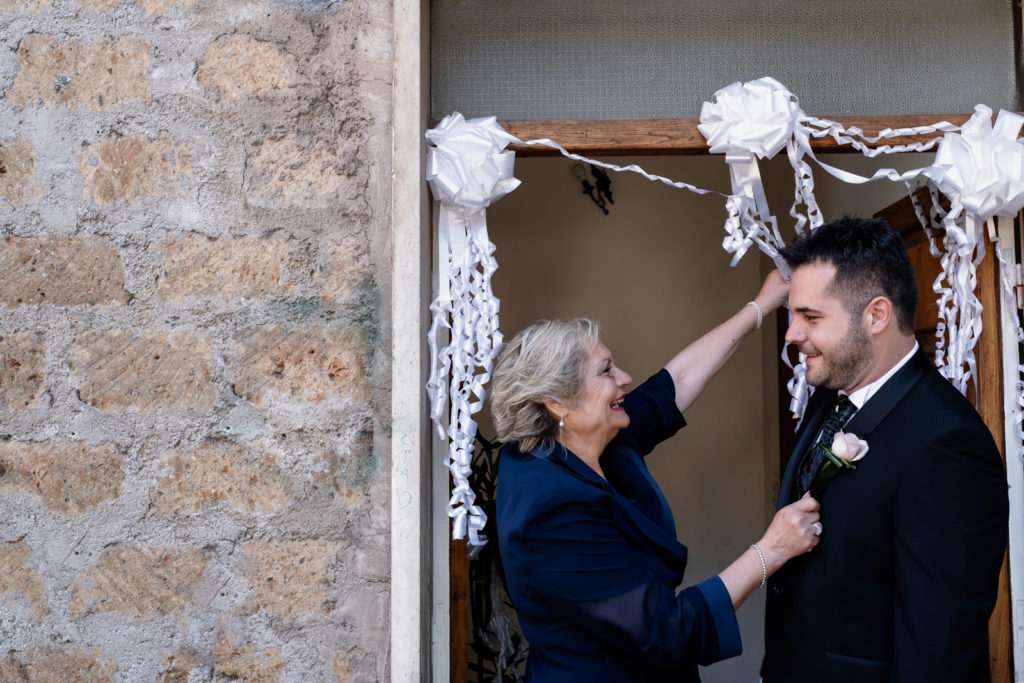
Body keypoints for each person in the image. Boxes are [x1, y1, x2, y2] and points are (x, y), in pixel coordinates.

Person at [491, 272, 821, 682]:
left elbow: (676, 382)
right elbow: (667, 628)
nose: (624, 379)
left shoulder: (586, 440)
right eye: (606, 371)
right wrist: (771, 550)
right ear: (558, 403)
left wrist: (761, 306)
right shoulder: (549, 511)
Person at [761, 216, 1009, 683]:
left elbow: (939, 650)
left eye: (810, 317)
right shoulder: (832, 391)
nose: (792, 334)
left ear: (876, 315)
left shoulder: (947, 445)